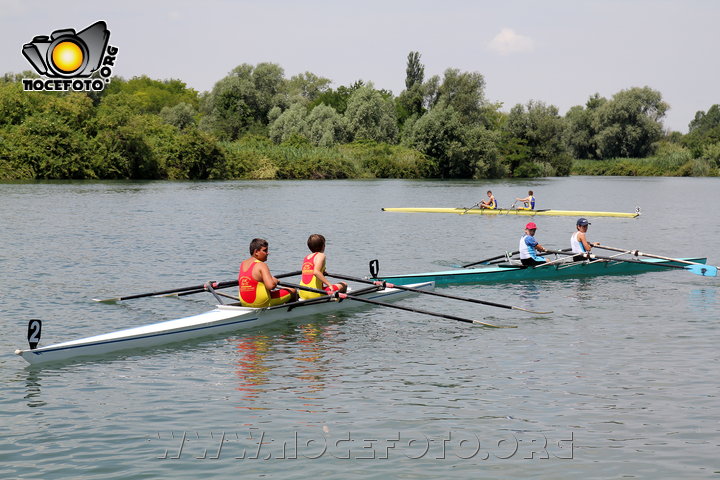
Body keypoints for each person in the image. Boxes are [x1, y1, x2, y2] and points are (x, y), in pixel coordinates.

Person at [238, 238, 296, 308]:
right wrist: (275, 281)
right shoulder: (261, 265)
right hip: (262, 303)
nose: (268, 253)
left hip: (244, 302)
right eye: (265, 250)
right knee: (293, 290)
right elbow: (270, 286)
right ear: (256, 252)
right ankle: (289, 312)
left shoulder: (243, 264)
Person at [299, 234, 347, 299]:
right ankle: (337, 300)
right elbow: (316, 272)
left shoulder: (306, 257)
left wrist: (322, 271)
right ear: (323, 246)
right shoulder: (321, 255)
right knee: (344, 284)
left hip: (302, 292)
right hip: (315, 294)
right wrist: (329, 285)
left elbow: (313, 271)